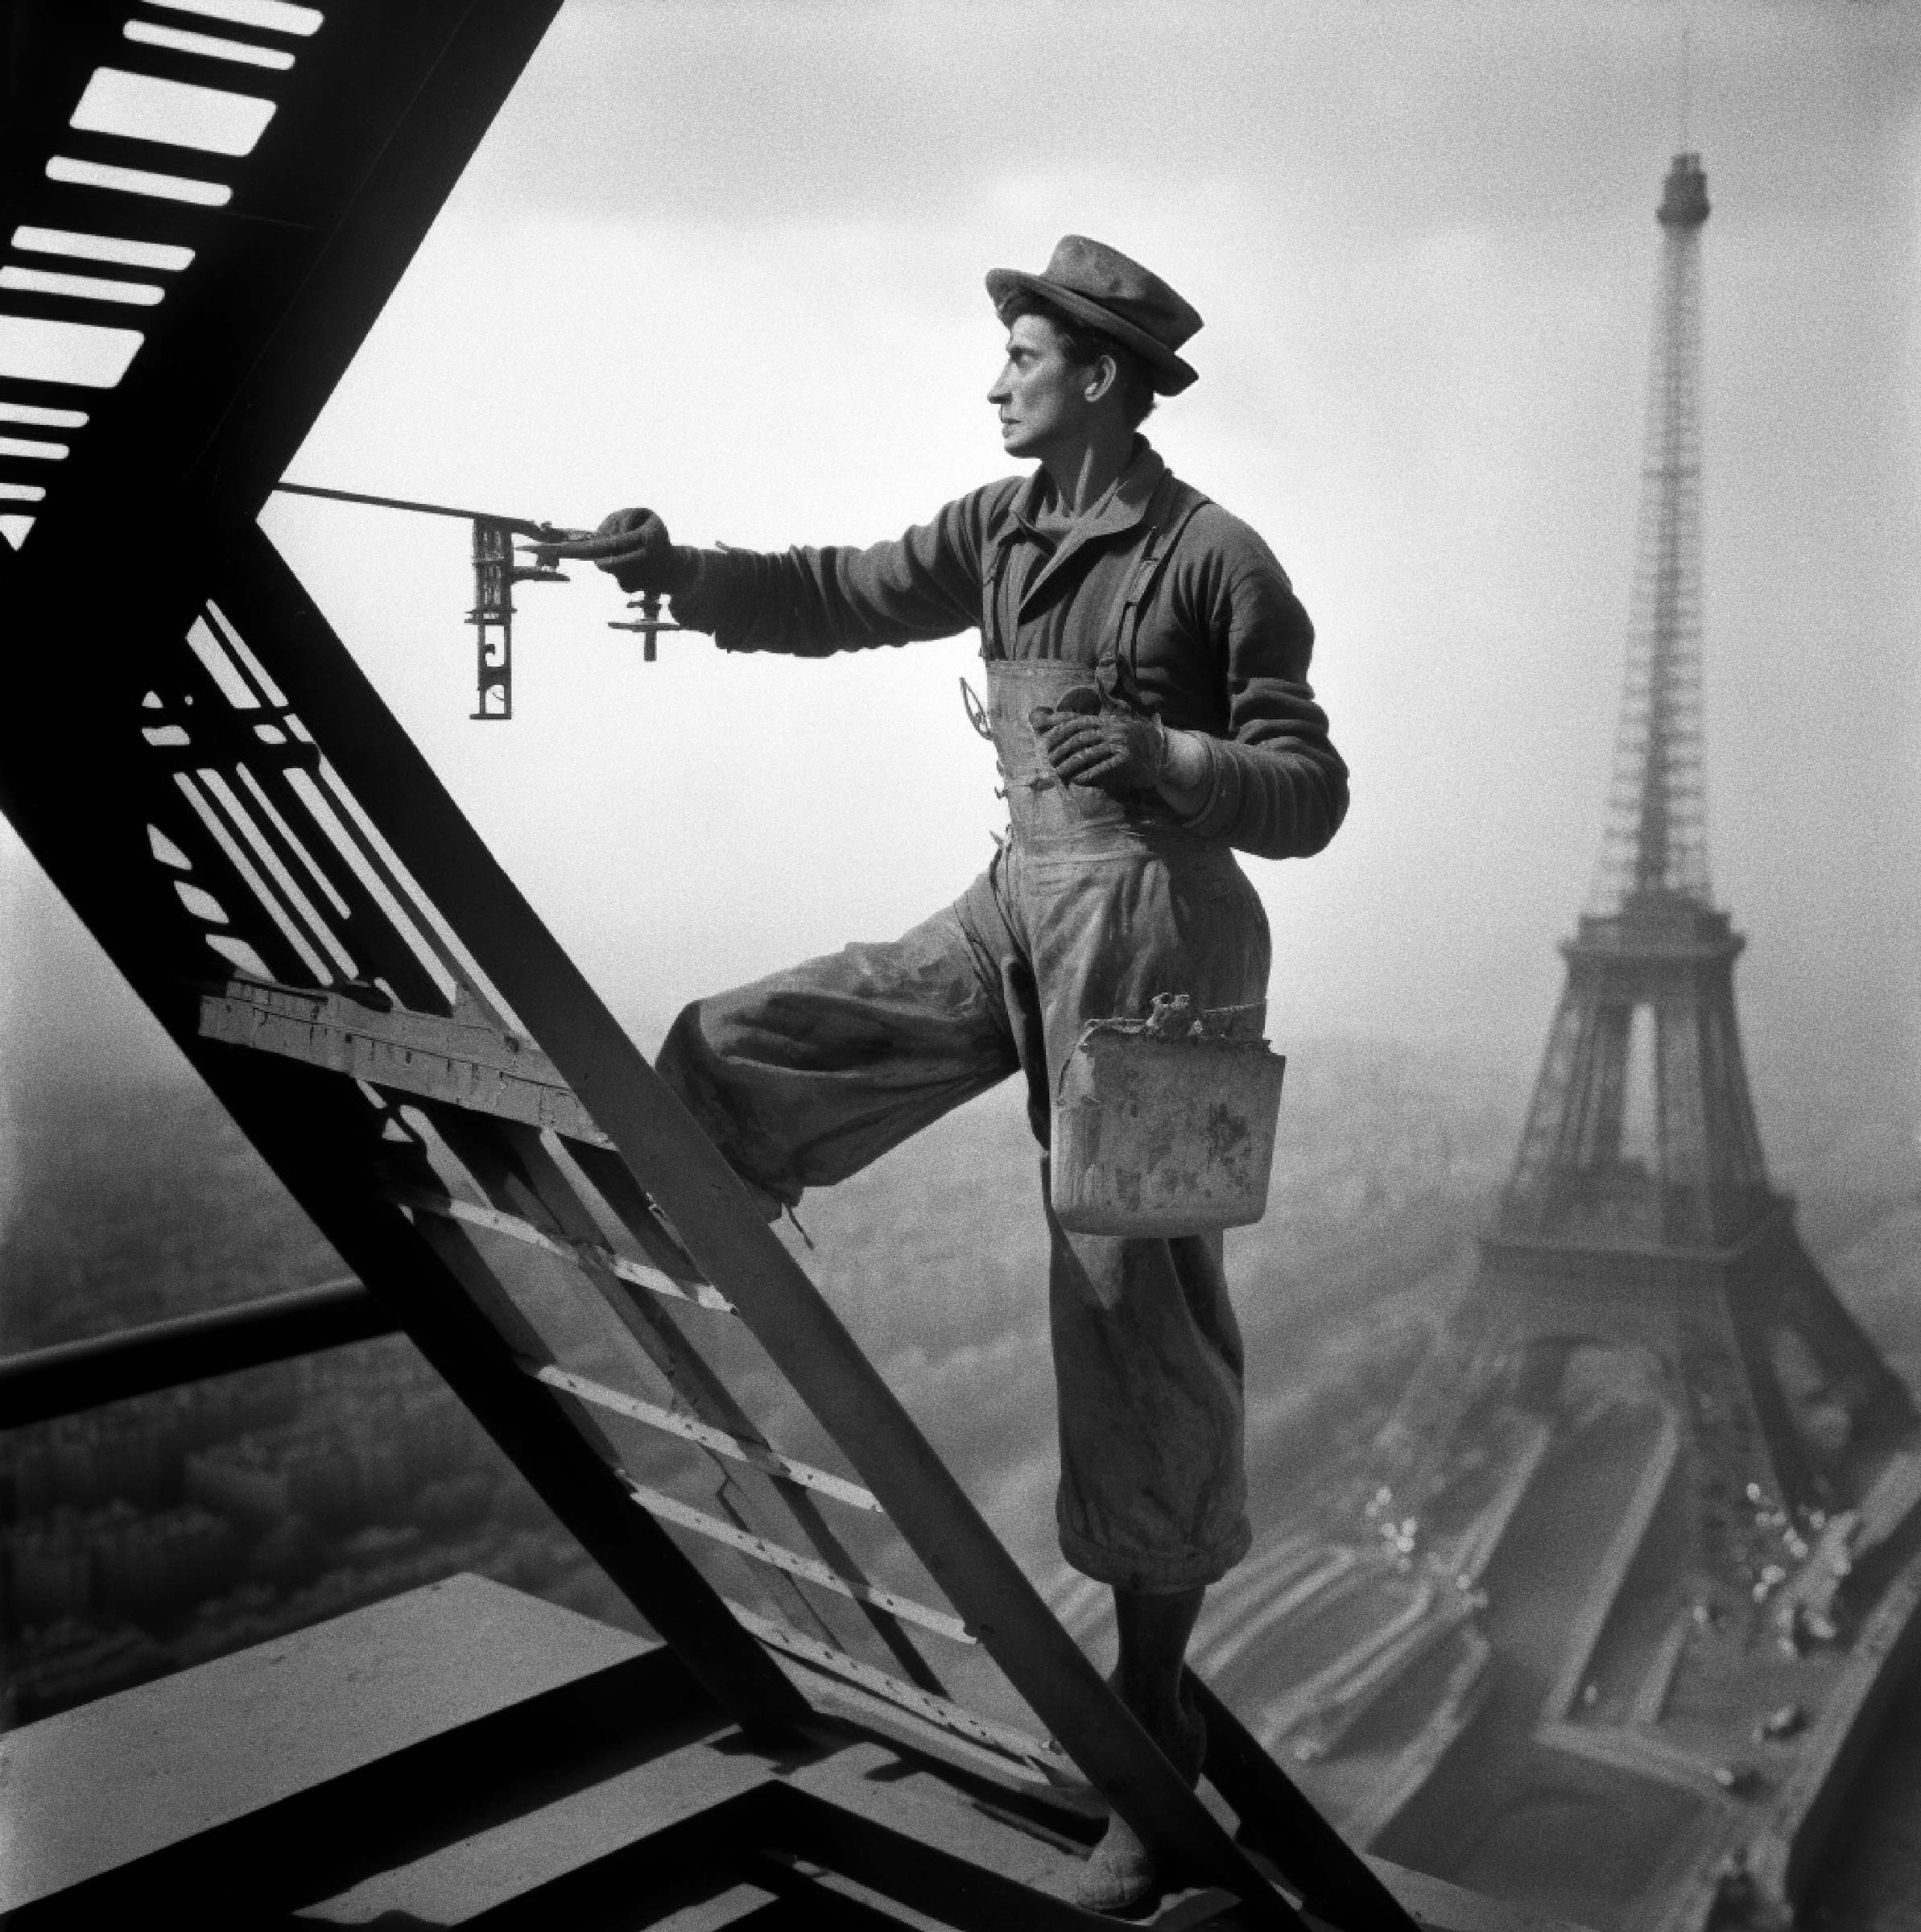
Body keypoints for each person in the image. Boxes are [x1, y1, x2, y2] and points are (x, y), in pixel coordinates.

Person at [543, 235, 1348, 1913]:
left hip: (1163, 940)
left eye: (1020, 359)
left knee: (1131, 1313)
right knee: (746, 1042)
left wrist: (1166, 754)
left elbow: (1308, 792)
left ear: (1098, 379)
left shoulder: (1215, 558)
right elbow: (835, 593)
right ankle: (711, 1237)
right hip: (1023, 896)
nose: (994, 385)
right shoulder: (1000, 529)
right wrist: (669, 567)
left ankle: (1150, 1732)